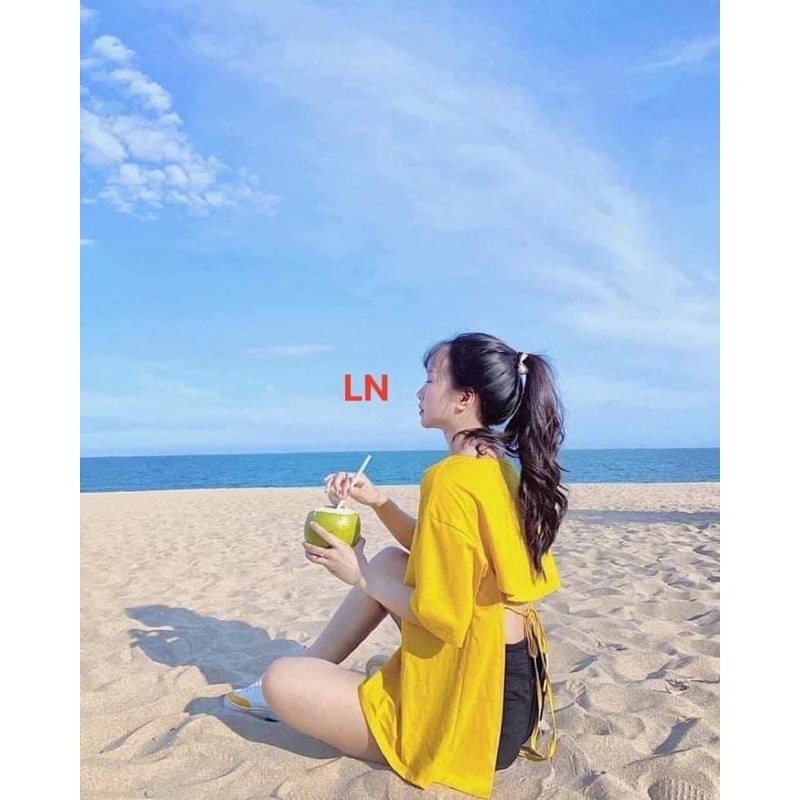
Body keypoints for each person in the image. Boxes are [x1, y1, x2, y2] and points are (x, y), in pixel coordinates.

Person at [224, 332, 567, 799]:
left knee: (282, 679)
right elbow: (443, 555)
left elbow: (445, 616)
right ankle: (311, 671)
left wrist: (359, 574)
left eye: (431, 379)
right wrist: (380, 502)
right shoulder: (497, 467)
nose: (419, 392)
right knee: (390, 561)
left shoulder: (449, 480)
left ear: (464, 398)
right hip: (512, 693)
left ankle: (291, 681)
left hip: (474, 715)